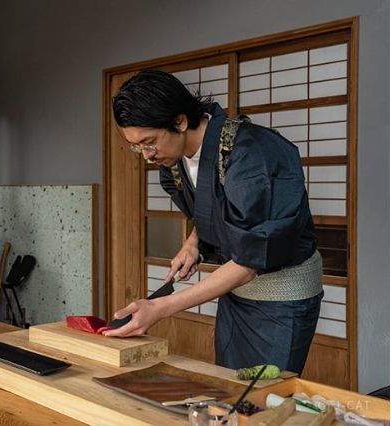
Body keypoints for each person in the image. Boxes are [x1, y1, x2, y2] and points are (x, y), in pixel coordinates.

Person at [103, 70, 323, 374]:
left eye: (149, 142)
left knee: (264, 400)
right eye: (136, 146)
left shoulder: (251, 156)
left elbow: (251, 258)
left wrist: (159, 308)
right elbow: (214, 209)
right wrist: (194, 243)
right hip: (236, 294)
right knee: (231, 388)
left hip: (281, 299)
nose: (145, 155)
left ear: (180, 121)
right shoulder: (174, 161)